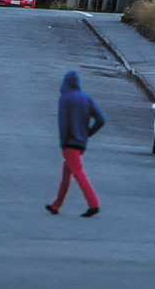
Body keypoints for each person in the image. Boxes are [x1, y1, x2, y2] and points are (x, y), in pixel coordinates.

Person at [46, 70, 105, 217]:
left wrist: (63, 142)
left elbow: (63, 122)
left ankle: (93, 204)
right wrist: (87, 134)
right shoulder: (86, 98)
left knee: (78, 172)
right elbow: (100, 120)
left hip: (69, 142)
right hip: (81, 142)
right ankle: (56, 206)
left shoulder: (65, 99)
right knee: (66, 172)